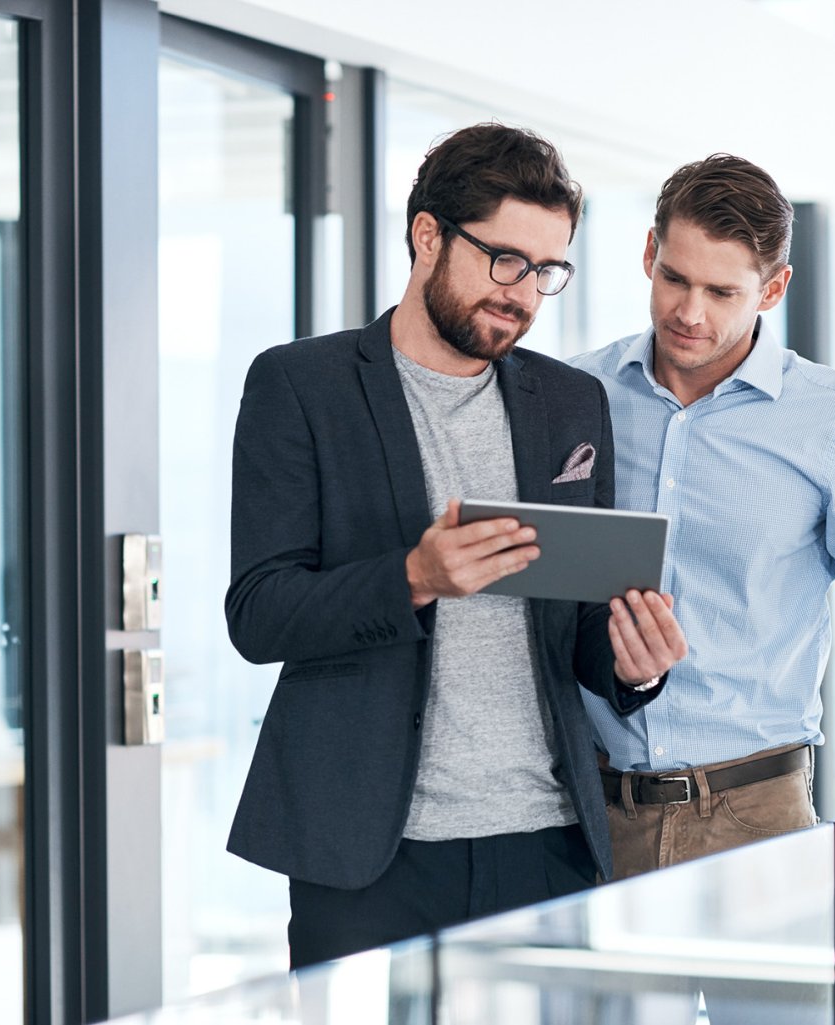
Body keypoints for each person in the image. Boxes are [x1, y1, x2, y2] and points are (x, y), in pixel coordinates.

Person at [224, 123, 689, 969]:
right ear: (427, 234)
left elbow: (580, 629)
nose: (523, 293)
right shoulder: (299, 386)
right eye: (505, 259)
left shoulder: (572, 403)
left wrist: (634, 663)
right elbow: (258, 614)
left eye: (547, 271)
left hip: (546, 842)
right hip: (369, 853)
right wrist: (411, 577)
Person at [569, 154, 835, 880]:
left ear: (773, 288)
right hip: (591, 814)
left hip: (757, 816)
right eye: (675, 278)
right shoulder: (574, 396)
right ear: (649, 253)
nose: (690, 312)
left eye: (722, 291)